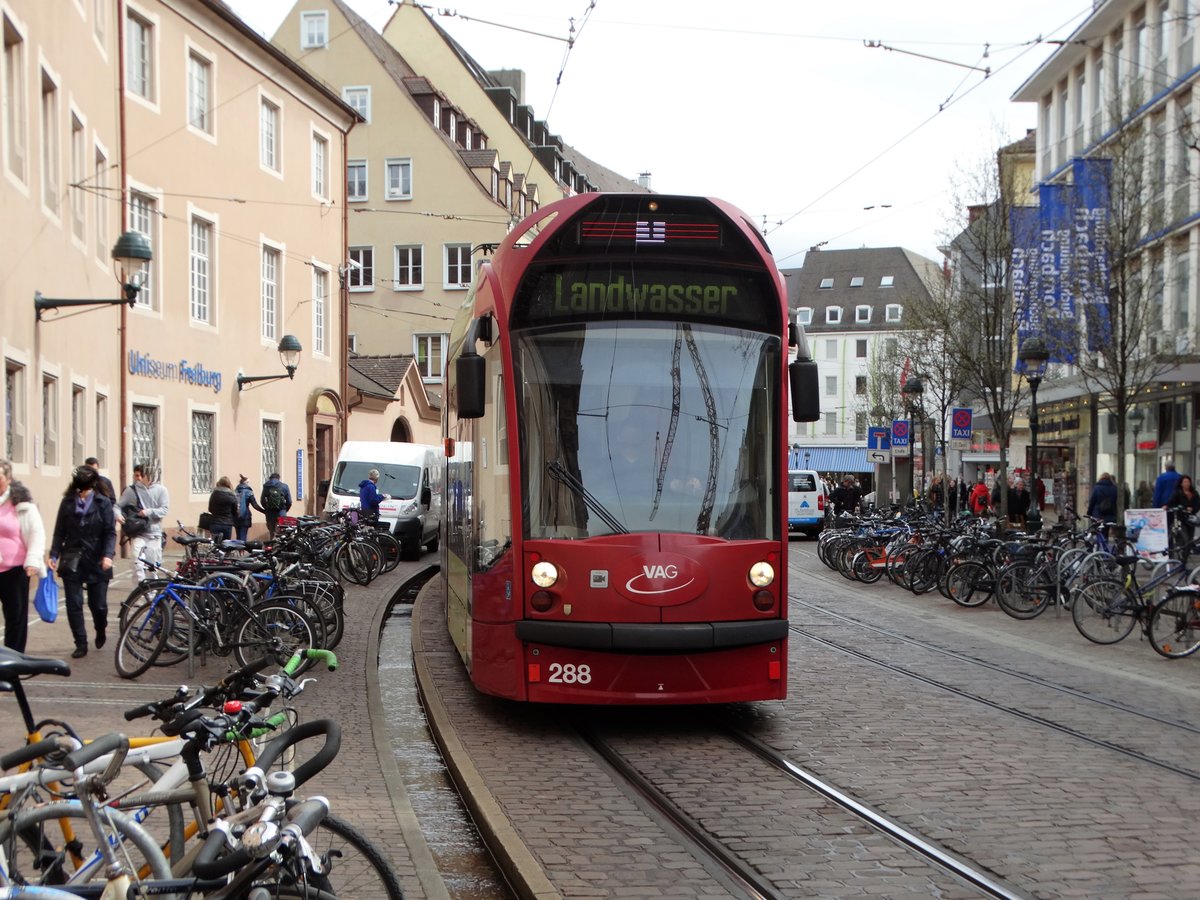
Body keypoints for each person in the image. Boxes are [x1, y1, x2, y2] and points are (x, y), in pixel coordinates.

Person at [49, 466, 116, 658]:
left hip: (97, 557)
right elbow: (59, 531)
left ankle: (100, 627)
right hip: (72, 557)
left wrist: (108, 555)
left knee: (99, 604)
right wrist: (54, 554)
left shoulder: (103, 503)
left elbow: (110, 532)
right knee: (74, 603)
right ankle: (80, 642)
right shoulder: (67, 502)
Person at [0, 458, 47, 653]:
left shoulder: (22, 504)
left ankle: (12, 666)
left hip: (16, 570)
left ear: (8, 479)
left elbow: (37, 533)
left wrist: (33, 561)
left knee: (16, 619)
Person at [117, 463, 170, 584]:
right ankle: (139, 594)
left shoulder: (162, 490)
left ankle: (151, 596)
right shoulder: (132, 490)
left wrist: (148, 512)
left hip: (155, 534)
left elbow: (164, 510)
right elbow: (118, 506)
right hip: (139, 532)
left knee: (151, 567)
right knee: (137, 563)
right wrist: (118, 515)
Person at [1168, 475, 1200, 549]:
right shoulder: (1178, 493)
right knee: (1184, 535)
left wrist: (1193, 509)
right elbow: (1171, 502)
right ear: (1181, 484)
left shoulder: (1194, 493)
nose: (1187, 483)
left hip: (1191, 519)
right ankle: (1181, 551)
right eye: (1185, 482)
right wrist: (1167, 506)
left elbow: (1198, 504)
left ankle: (1186, 554)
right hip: (1181, 517)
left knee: (1190, 537)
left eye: (1188, 482)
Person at [206, 476, 238, 544]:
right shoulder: (232, 495)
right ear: (229, 484)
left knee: (215, 546)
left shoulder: (214, 494)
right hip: (227, 524)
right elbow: (235, 511)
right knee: (225, 545)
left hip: (215, 522)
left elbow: (210, 508)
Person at [260, 473, 293, 538]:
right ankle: (280, 547)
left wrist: (267, 509)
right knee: (282, 533)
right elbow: (289, 501)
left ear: (270, 478)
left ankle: (272, 546)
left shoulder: (266, 486)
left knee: (272, 533)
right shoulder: (284, 486)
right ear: (278, 478)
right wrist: (285, 510)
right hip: (281, 513)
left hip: (270, 513)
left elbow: (262, 501)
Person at [234, 475, 265, 542]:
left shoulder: (235, 491)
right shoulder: (248, 492)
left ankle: (238, 550)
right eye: (248, 482)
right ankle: (242, 551)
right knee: (243, 537)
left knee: (238, 536)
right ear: (246, 483)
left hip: (236, 516)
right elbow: (255, 505)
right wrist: (264, 511)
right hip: (245, 516)